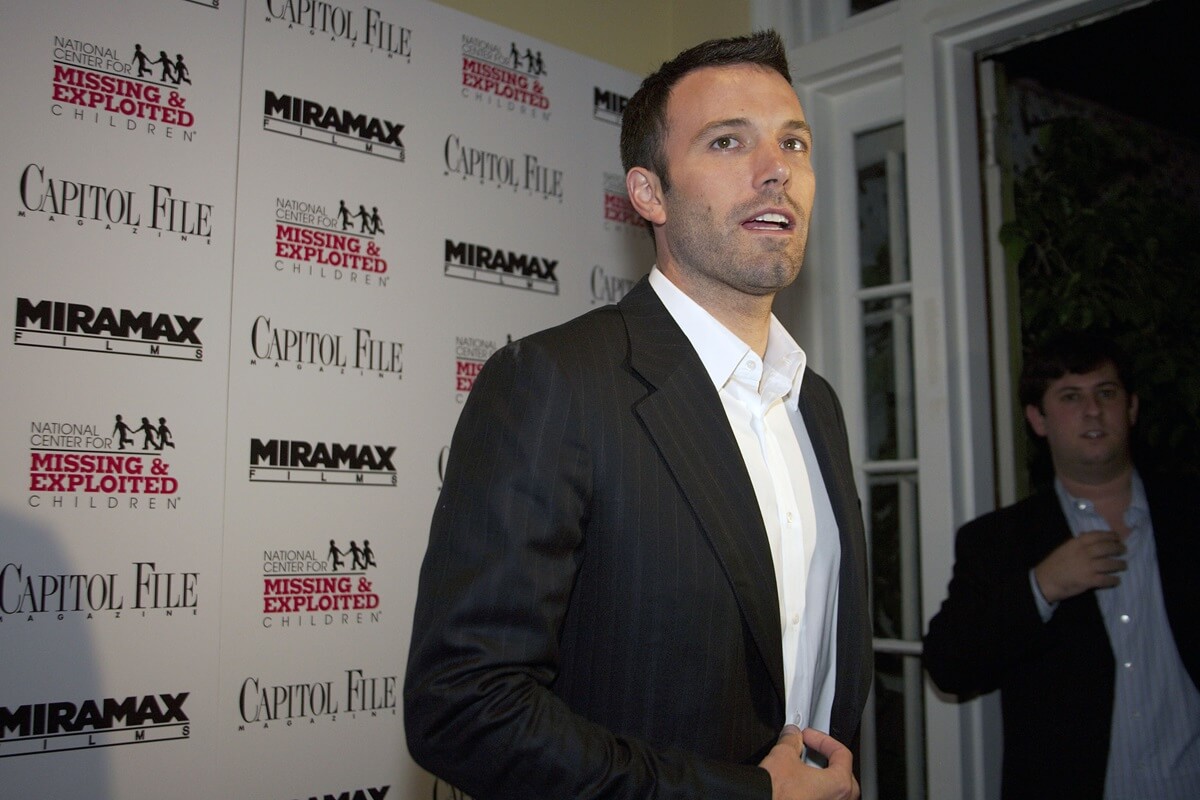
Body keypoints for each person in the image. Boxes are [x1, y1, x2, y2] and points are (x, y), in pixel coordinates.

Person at [405, 31, 871, 800]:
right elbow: (463, 709)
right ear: (649, 193)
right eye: (729, 142)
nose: (775, 170)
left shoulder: (815, 403)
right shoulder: (554, 383)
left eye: (794, 142)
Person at [924, 331, 1200, 799]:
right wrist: (1042, 586)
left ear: (1130, 408)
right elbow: (949, 666)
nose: (1093, 411)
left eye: (1106, 393)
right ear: (1038, 419)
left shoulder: (1189, 517)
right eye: (1070, 397)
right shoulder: (1000, 541)